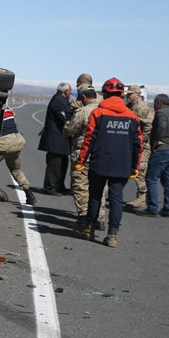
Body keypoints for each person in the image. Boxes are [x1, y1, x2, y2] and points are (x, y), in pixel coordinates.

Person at [75, 78, 141, 247]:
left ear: (104, 94)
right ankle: (112, 236)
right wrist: (135, 167)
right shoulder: (132, 117)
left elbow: (89, 139)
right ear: (121, 95)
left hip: (99, 163)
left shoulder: (98, 113)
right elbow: (137, 145)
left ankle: (88, 229)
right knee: (116, 199)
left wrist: (81, 161)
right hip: (122, 165)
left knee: (95, 197)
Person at [62, 84, 106, 232]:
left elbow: (69, 129)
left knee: (81, 186)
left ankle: (83, 219)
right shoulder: (106, 110)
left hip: (83, 154)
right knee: (100, 188)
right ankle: (99, 219)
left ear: (84, 97)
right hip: (102, 155)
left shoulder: (84, 111)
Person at [136, 94, 169, 218]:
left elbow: (162, 126)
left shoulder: (160, 113)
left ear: (158, 102)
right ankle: (168, 208)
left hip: (162, 152)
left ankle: (152, 208)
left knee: (151, 179)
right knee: (167, 181)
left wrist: (157, 140)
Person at [0, 106, 37, 205]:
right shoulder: (9, 110)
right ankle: (30, 195)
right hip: (18, 141)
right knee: (16, 170)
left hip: (4, 143)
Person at [38, 82, 72, 196]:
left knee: (63, 162)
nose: (71, 93)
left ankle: (59, 185)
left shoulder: (63, 100)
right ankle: (50, 187)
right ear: (66, 91)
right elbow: (64, 117)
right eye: (70, 91)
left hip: (61, 138)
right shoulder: (58, 100)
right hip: (55, 137)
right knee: (54, 164)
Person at [124, 84, 154, 210]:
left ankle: (142, 197)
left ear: (138, 94)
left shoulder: (140, 107)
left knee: (140, 170)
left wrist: (142, 138)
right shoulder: (130, 106)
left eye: (131, 94)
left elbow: (148, 124)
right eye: (128, 94)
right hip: (132, 142)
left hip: (141, 144)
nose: (128, 96)